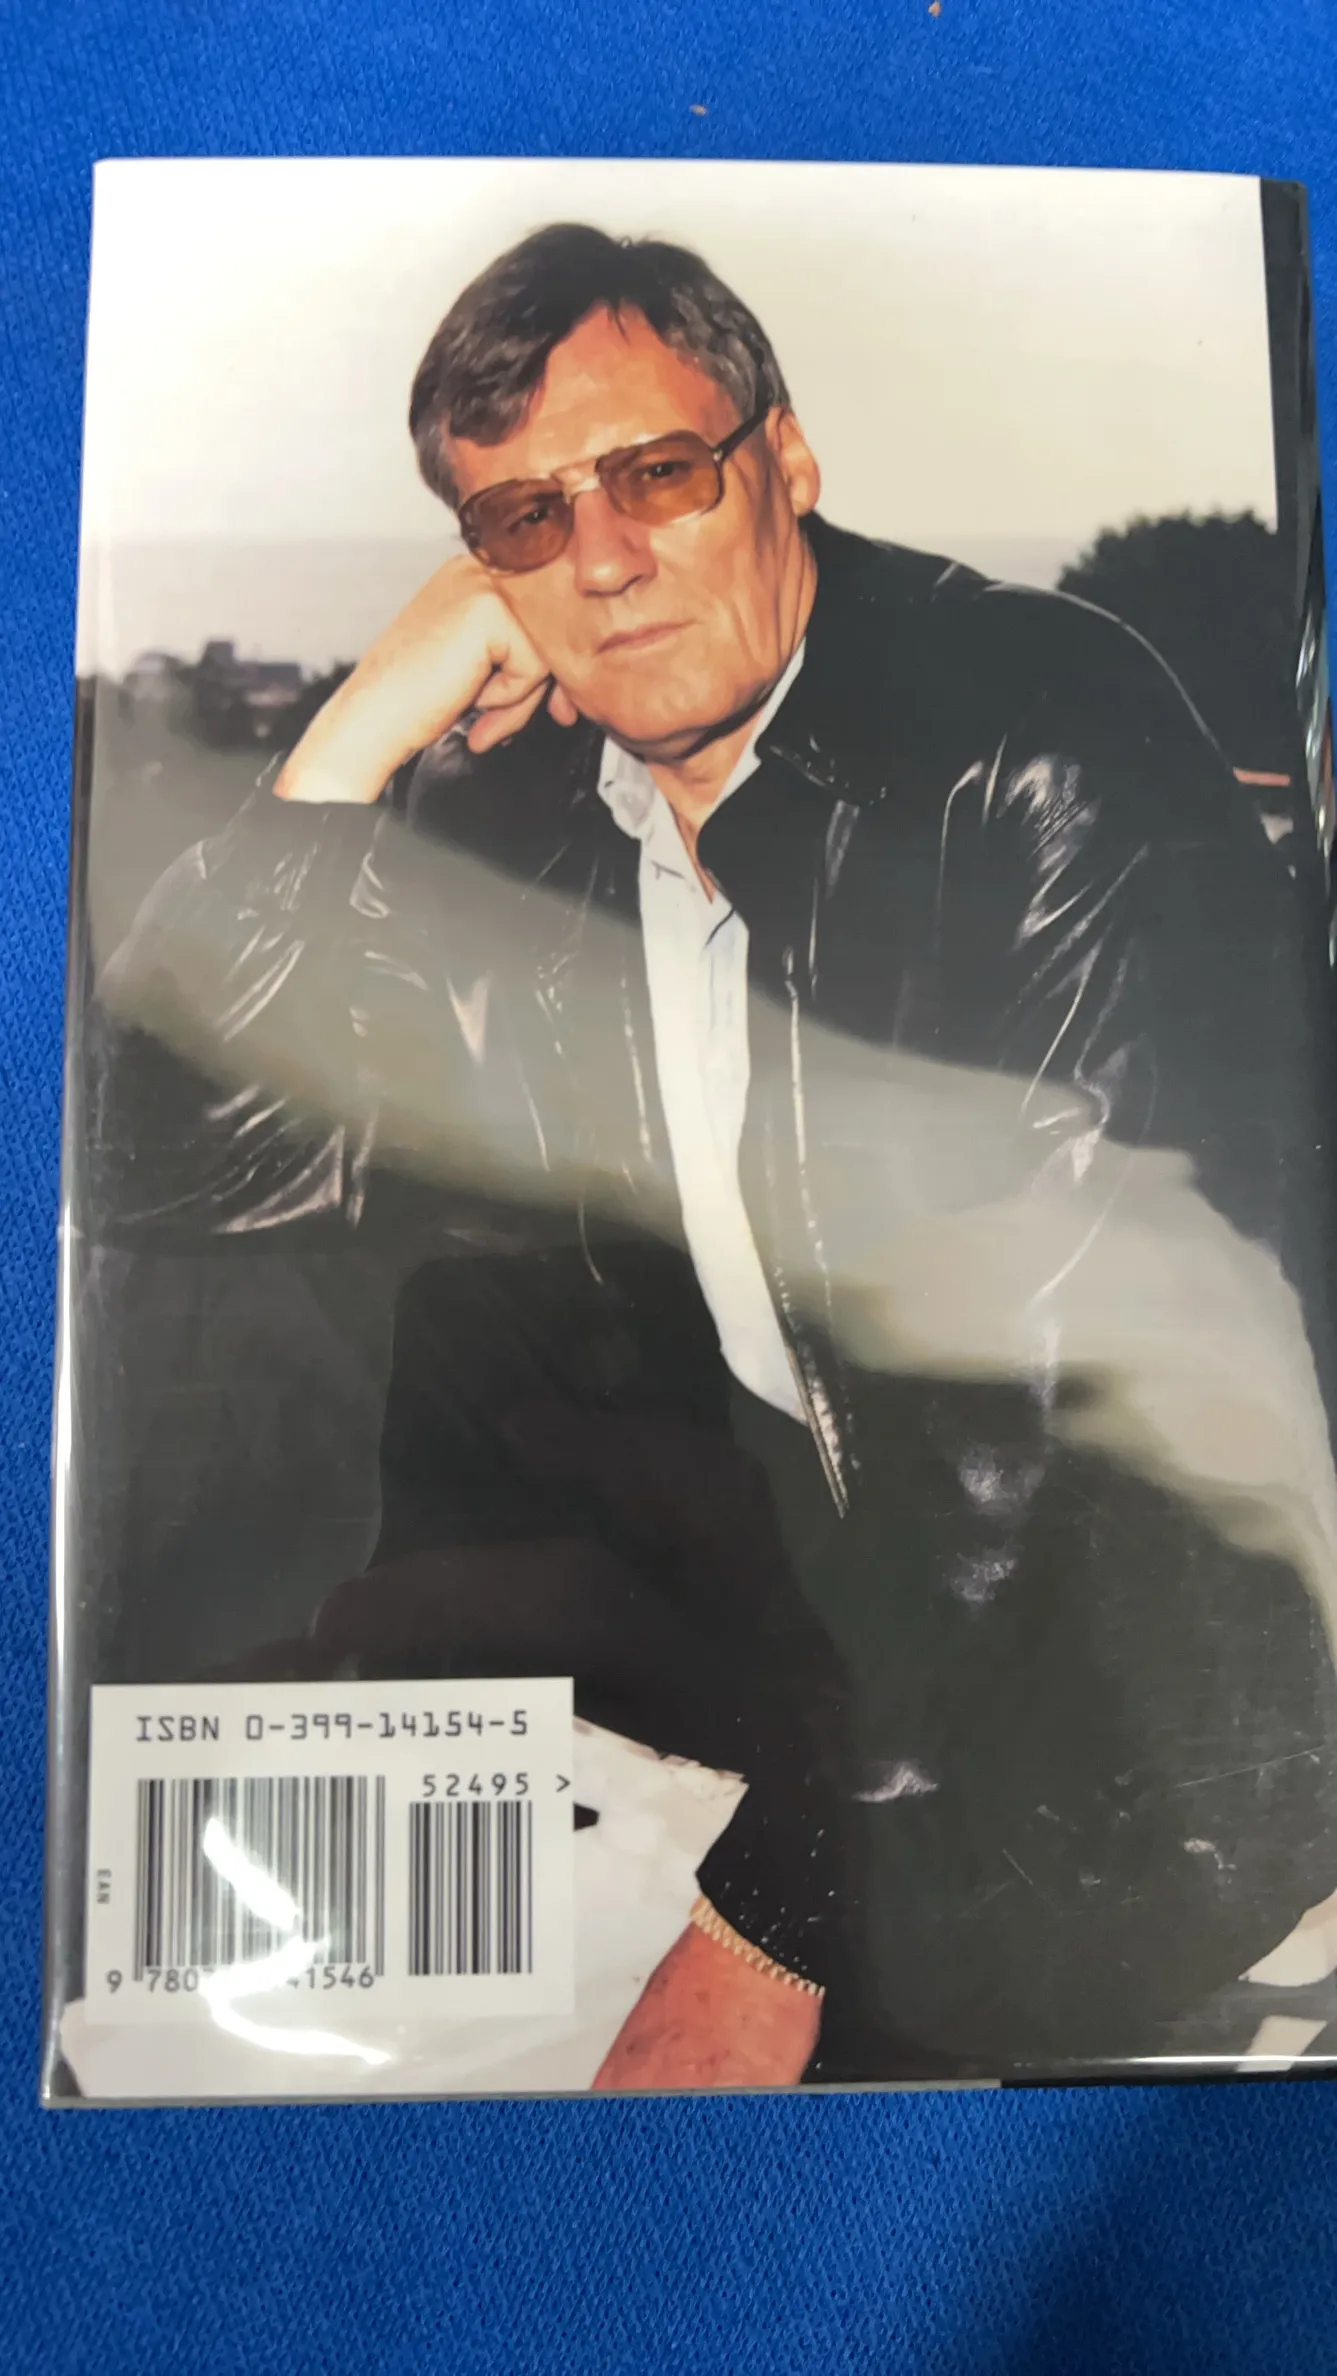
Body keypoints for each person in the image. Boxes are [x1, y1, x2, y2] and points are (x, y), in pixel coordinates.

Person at [92, 222, 1337, 2085]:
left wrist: (780, 1917)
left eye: (657, 473)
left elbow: (1087, 1487)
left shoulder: (1032, 747)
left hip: (1120, 1750)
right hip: (804, 1652)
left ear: (788, 461)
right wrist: (354, 739)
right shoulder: (552, 803)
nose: (599, 558)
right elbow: (160, 1163)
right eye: (522, 518)